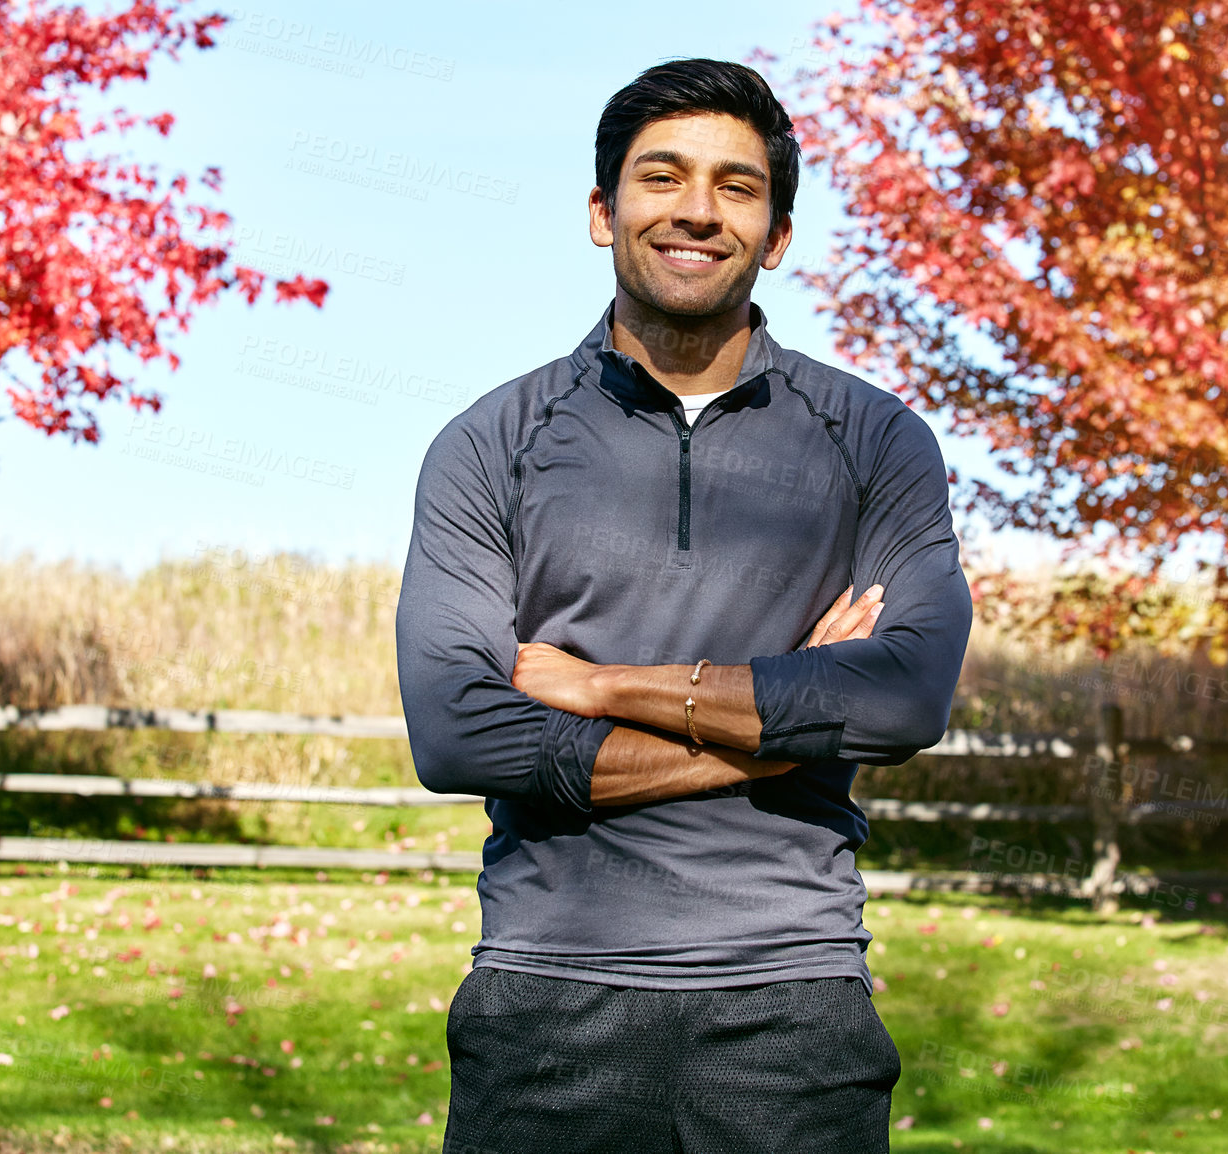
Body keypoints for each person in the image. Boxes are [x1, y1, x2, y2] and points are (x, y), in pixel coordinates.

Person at [393, 57, 972, 1154]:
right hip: (546, 995)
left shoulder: (875, 440)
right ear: (605, 212)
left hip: (792, 1000)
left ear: (778, 233)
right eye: (662, 177)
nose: (697, 209)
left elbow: (901, 696)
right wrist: (784, 722)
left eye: (736, 186)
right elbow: (458, 727)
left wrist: (604, 685)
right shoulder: (490, 444)